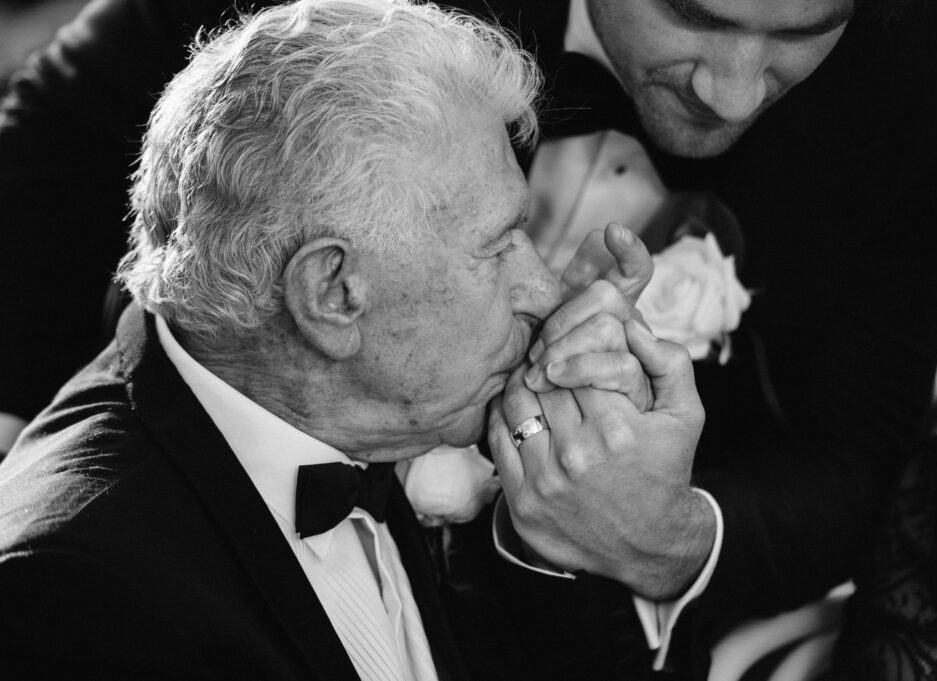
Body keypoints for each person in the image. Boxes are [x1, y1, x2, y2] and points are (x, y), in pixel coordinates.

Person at [1, 0, 937, 671]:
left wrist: (666, 541)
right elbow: (43, 162)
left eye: (804, 29)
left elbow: (852, 446)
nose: (735, 90)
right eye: (693, 16)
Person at [0, 1, 707, 677]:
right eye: (500, 246)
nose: (548, 294)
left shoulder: (354, 408)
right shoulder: (78, 600)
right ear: (333, 294)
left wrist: (564, 530)